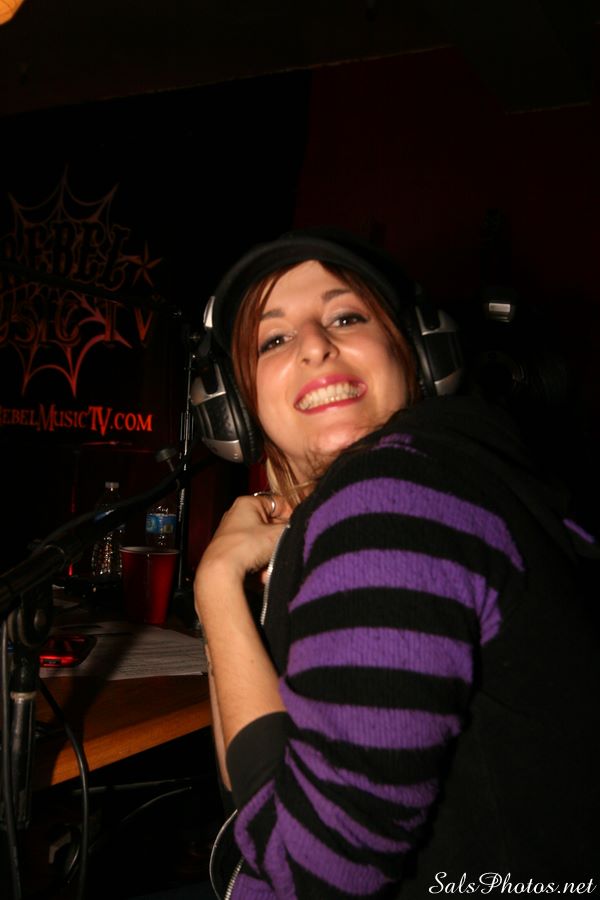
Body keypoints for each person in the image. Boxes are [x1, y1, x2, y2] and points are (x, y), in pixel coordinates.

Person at [193, 227, 600, 899]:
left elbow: (310, 877)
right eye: (274, 339)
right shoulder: (452, 477)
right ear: (234, 407)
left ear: (419, 355)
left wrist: (214, 589)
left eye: (345, 318)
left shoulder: (387, 500)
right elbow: (266, 783)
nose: (315, 345)